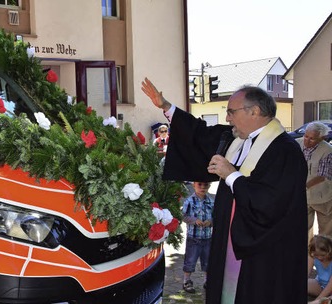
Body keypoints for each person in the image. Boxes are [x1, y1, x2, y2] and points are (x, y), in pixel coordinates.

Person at [141, 77, 307, 303]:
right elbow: (199, 134)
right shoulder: (235, 139)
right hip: (228, 238)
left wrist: (232, 175)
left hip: (263, 251)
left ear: (254, 111)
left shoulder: (285, 151)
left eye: (231, 112)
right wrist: (166, 107)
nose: (228, 118)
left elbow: (272, 203)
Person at [297, 122, 332, 239]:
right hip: (303, 197)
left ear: (321, 138)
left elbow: (322, 175)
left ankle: (325, 255)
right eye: (306, 136)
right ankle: (307, 255)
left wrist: (303, 186)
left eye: (312, 139)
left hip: (323, 197)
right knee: (303, 229)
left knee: (326, 232)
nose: (307, 140)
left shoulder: (327, 150)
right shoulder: (297, 144)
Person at [181, 181, 214, 293]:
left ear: (209, 186)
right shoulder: (189, 201)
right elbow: (183, 216)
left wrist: (211, 222)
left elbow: (216, 217)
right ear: (194, 185)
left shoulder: (211, 201)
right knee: (190, 260)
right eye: (200, 184)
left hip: (207, 238)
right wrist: (194, 221)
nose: (202, 187)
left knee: (207, 260)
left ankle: (207, 281)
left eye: (205, 185)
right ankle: (187, 280)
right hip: (193, 238)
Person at [309, 235, 332, 303]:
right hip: (320, 285)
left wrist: (317, 301)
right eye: (316, 255)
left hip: (330, 287)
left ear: (329, 251)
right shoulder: (312, 257)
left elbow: (330, 285)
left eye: (323, 255)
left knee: (324, 300)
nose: (319, 258)